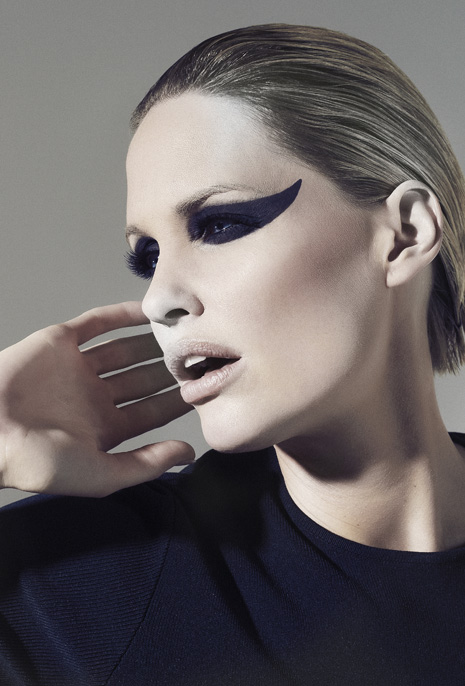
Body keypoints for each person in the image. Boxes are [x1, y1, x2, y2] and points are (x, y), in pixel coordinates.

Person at [1, 22, 465, 686]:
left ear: (403, 234)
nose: (160, 297)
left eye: (217, 225)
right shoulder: (72, 588)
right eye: (148, 257)